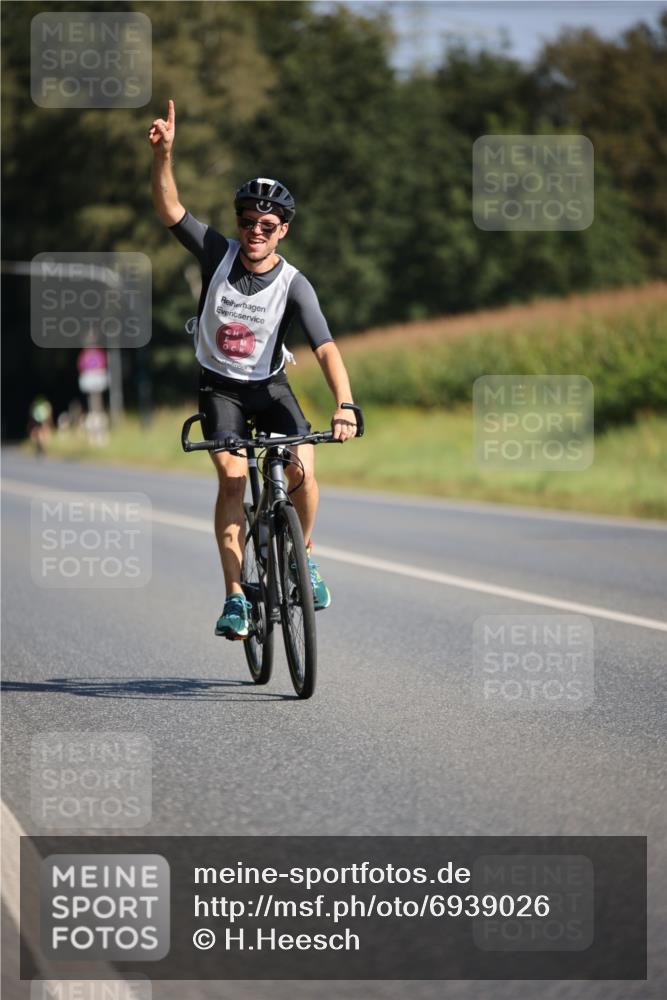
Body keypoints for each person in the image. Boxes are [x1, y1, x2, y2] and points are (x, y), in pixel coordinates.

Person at [149, 100, 357, 641]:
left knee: (303, 469)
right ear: (238, 223)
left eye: (267, 224)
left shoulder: (295, 284)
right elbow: (170, 208)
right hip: (219, 390)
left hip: (269, 388)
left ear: (283, 229)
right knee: (232, 477)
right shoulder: (217, 251)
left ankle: (302, 557)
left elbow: (326, 347)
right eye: (248, 221)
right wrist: (164, 156)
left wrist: (345, 403)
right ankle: (236, 598)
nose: (255, 230)